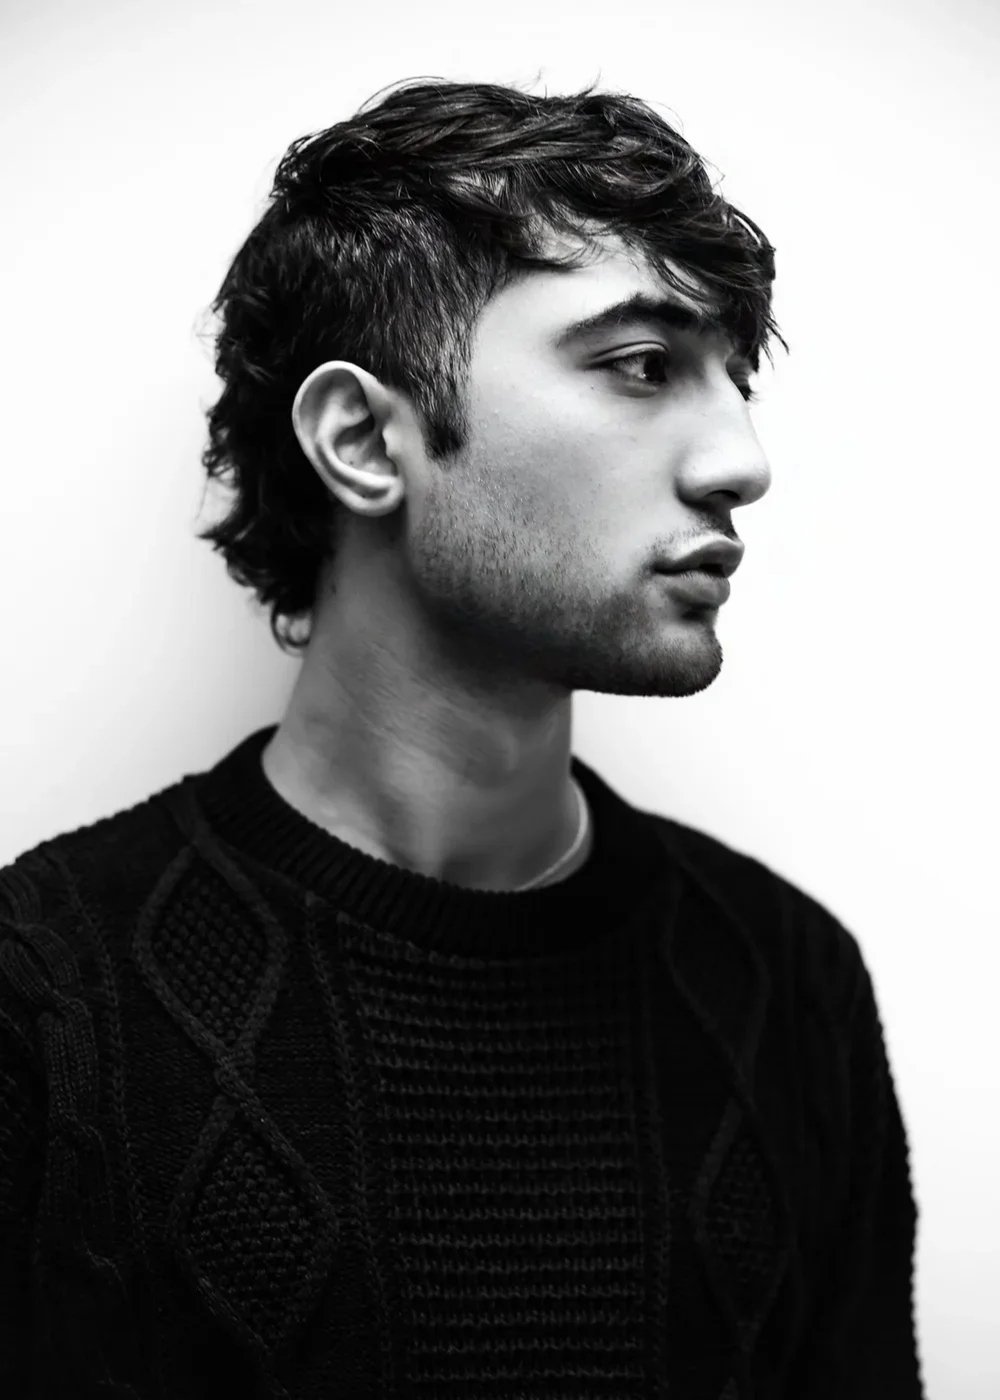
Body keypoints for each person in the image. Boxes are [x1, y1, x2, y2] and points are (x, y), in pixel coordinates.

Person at [0, 75, 924, 1398]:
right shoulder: (43, 996)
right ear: (364, 440)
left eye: (735, 376)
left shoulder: (787, 983)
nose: (741, 458)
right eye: (643, 366)